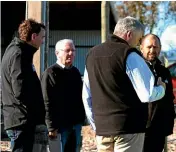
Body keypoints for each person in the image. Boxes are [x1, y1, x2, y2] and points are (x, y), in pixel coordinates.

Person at [82, 16, 167, 152]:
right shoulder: (129, 55)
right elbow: (147, 94)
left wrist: (96, 124)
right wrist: (162, 88)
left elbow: (87, 95)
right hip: (128, 129)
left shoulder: (92, 54)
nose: (138, 43)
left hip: (102, 129)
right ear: (129, 34)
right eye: (139, 39)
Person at [1, 19, 46, 152]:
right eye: (42, 37)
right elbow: (20, 89)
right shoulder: (19, 54)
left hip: (20, 118)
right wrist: (35, 108)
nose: (43, 41)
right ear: (33, 36)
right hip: (20, 119)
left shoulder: (16, 51)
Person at [41, 39, 85, 152]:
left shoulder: (75, 72)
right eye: (67, 50)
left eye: (73, 50)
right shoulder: (50, 73)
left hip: (75, 125)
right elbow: (47, 101)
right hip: (59, 126)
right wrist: (51, 126)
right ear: (57, 53)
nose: (71, 53)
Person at [140, 34, 175, 152]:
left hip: (158, 129)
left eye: (155, 47)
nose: (152, 50)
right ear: (141, 48)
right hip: (140, 129)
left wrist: (168, 123)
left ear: (160, 48)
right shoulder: (136, 69)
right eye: (149, 47)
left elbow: (169, 98)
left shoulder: (164, 71)